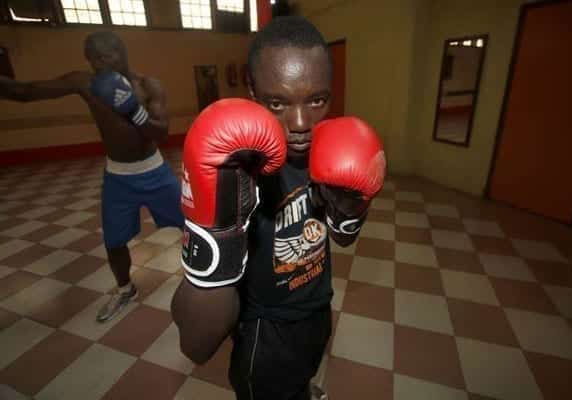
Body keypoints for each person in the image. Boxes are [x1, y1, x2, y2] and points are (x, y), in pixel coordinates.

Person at [171, 16, 385, 400]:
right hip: (264, 332)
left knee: (301, 380)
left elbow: (343, 239)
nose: (301, 123)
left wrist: (353, 204)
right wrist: (215, 229)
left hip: (317, 309)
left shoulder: (332, 147)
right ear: (253, 93)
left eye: (317, 100)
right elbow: (196, 346)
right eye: (277, 102)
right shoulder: (236, 171)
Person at [0, 31, 184, 323]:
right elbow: (27, 92)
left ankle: (204, 275)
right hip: (118, 178)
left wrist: (132, 110)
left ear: (121, 52)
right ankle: (125, 290)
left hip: (155, 172)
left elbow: (160, 132)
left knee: (193, 224)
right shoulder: (85, 83)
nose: (98, 63)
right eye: (92, 58)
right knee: (113, 241)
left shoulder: (148, 85)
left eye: (104, 55)